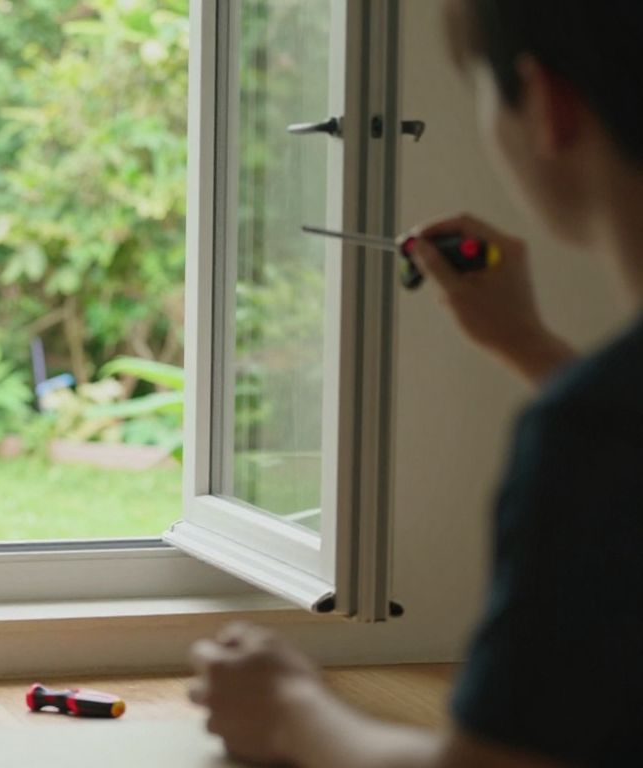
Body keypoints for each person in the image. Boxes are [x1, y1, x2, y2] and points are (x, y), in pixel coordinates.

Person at [186, 1, 643, 766]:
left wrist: (289, 710)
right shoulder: (605, 427)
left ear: (548, 107)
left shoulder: (592, 436)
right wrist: (526, 343)